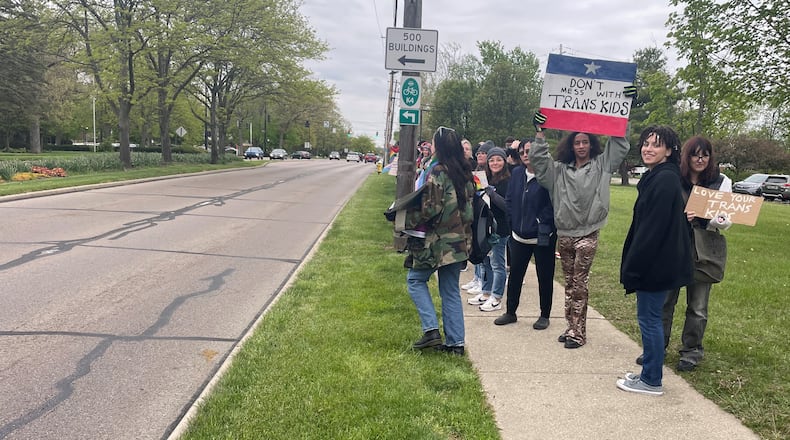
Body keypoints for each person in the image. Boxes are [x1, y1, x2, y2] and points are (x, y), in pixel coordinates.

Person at [530, 113, 631, 349]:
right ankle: (571, 326)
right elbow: (540, 163)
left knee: (580, 282)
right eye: (577, 142)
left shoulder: (601, 165)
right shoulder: (559, 171)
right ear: (571, 145)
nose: (582, 146)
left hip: (589, 233)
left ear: (591, 144)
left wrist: (624, 115)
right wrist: (539, 133)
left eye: (585, 141)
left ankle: (579, 333)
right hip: (565, 233)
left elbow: (618, 146)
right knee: (569, 283)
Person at [637, 136, 732, 372]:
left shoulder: (720, 182)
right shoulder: (673, 179)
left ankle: (691, 351)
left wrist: (704, 217)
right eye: (695, 154)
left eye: (705, 155)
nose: (700, 160)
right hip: (673, 247)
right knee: (665, 301)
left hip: (704, 249)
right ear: (686, 156)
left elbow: (726, 220)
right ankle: (659, 346)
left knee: (698, 306)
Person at [618, 125, 694, 396]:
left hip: (657, 264)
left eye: (656, 145)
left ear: (669, 151)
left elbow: (652, 231)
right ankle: (648, 372)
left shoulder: (664, 180)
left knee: (650, 320)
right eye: (646, 143)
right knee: (650, 318)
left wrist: (634, 267)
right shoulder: (660, 176)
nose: (648, 148)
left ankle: (651, 380)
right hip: (659, 262)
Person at [405, 126, 475, 355]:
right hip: (460, 241)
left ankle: (431, 330)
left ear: (440, 146)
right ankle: (456, 344)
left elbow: (431, 208)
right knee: (450, 290)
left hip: (438, 241)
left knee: (415, 280)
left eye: (433, 143)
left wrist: (404, 217)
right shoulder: (465, 173)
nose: (431, 147)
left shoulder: (438, 172)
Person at [494, 139, 557, 328]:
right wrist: (513, 221)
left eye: (529, 151)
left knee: (544, 276)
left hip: (541, 236)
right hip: (518, 236)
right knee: (515, 275)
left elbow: (554, 203)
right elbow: (510, 200)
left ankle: (544, 315)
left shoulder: (548, 175)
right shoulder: (517, 173)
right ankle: (510, 312)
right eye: (522, 151)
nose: (525, 154)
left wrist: (541, 222)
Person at [467, 147, 511, 312]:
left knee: (497, 264)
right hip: (484, 225)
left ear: (504, 162)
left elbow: (507, 206)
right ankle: (486, 292)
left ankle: (497, 297)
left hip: (500, 228)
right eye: (492, 160)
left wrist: (492, 194)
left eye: (498, 159)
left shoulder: (508, 181)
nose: (495, 163)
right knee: (485, 260)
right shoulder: (484, 179)